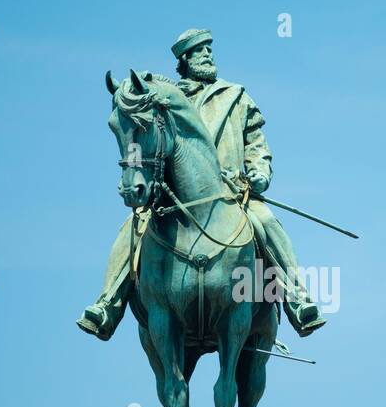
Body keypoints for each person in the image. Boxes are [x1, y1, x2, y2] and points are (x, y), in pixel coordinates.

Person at [78, 28, 325, 340]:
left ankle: (297, 300)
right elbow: (151, 144)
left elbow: (256, 143)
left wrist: (259, 171)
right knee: (134, 224)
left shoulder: (235, 96)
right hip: (175, 200)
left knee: (266, 222)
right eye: (198, 51)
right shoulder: (167, 102)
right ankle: (108, 304)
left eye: (209, 49)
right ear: (185, 60)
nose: (207, 55)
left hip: (234, 195)